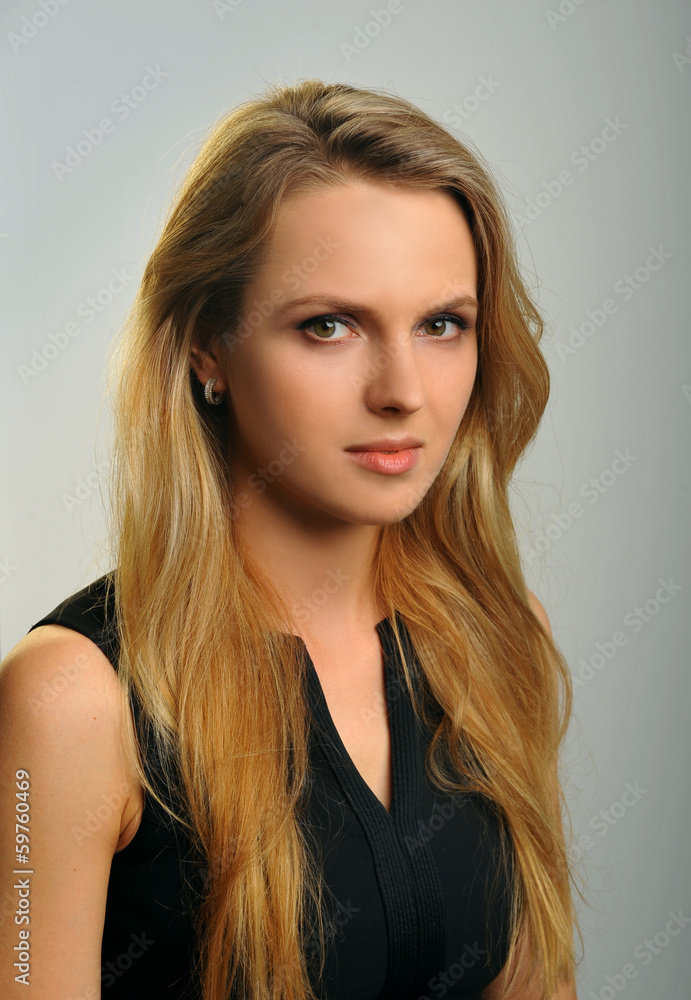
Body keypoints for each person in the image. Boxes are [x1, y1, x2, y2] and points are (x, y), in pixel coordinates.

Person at [0, 79, 582, 999]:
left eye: (442, 324)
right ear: (207, 348)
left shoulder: (501, 638)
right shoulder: (76, 700)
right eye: (329, 325)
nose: (402, 390)